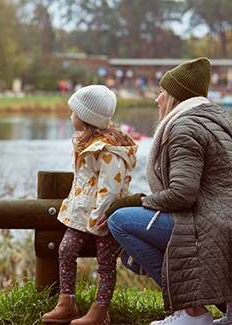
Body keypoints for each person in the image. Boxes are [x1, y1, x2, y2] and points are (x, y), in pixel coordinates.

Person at [107, 57, 232, 325]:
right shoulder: (212, 123)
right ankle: (221, 310)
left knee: (120, 220)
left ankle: (191, 312)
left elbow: (182, 194)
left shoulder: (184, 128)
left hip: (221, 226)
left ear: (175, 97)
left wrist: (143, 201)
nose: (157, 99)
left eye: (161, 92)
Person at [42, 85, 138, 325]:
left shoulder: (108, 150)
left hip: (103, 217)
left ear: (86, 118)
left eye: (74, 112)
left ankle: (100, 310)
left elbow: (111, 187)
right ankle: (67, 301)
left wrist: (98, 217)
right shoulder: (85, 142)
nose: (70, 116)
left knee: (105, 262)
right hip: (80, 214)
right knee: (65, 250)